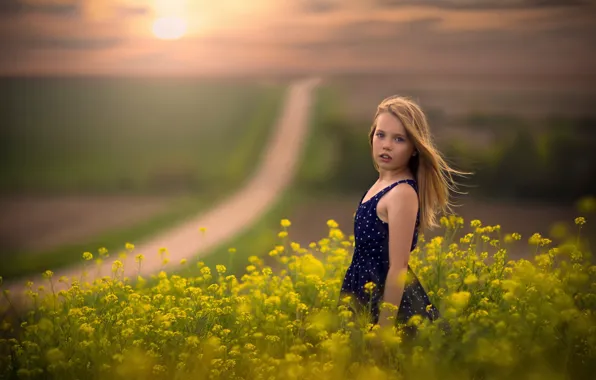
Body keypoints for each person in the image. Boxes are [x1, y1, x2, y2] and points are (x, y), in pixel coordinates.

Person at [339, 94, 467, 333]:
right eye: (381, 135)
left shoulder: (402, 193)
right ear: (372, 137)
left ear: (414, 149)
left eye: (399, 139)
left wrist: (384, 330)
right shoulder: (380, 184)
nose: (386, 144)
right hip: (363, 291)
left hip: (387, 305)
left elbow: (398, 267)